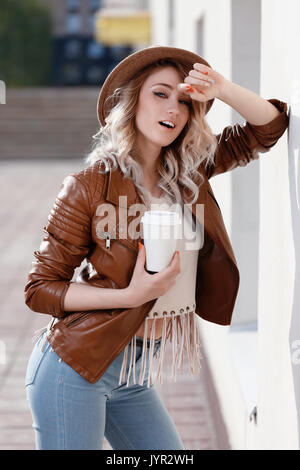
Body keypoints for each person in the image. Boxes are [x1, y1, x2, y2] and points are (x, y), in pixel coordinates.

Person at [24, 45, 289, 450]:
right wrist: (132, 294)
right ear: (133, 102)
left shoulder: (190, 171)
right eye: (160, 94)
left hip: (133, 376)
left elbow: (268, 128)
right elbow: (39, 288)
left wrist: (222, 88)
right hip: (75, 367)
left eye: (183, 100)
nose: (174, 109)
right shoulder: (90, 185)